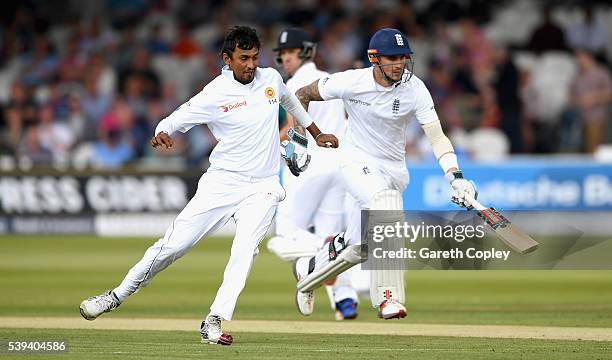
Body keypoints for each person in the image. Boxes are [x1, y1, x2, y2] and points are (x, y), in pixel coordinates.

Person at [79, 26, 338, 346]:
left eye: (255, 57)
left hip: (264, 186)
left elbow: (293, 102)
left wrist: (317, 133)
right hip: (222, 182)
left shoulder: (271, 79)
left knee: (245, 250)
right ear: (227, 59)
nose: (251, 65)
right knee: (173, 246)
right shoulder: (215, 92)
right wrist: (163, 130)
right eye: (244, 58)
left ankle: (214, 319)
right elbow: (179, 116)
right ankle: (116, 295)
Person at [291, 28, 477, 319]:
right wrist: (304, 137)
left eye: (404, 57)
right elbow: (301, 95)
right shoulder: (352, 81)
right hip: (355, 161)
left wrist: (455, 175)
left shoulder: (415, 88)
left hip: (394, 169)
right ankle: (388, 297)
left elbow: (437, 137)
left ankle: (307, 272)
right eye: (392, 58)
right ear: (373, 58)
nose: (400, 64)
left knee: (361, 246)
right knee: (386, 204)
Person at [266, 28, 359, 320]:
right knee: (331, 232)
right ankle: (345, 299)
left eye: (289, 54)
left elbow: (291, 132)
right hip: (339, 164)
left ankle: (314, 261)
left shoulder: (291, 84)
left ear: (304, 52)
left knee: (284, 235)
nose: (285, 60)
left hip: (307, 166)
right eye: (282, 55)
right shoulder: (329, 81)